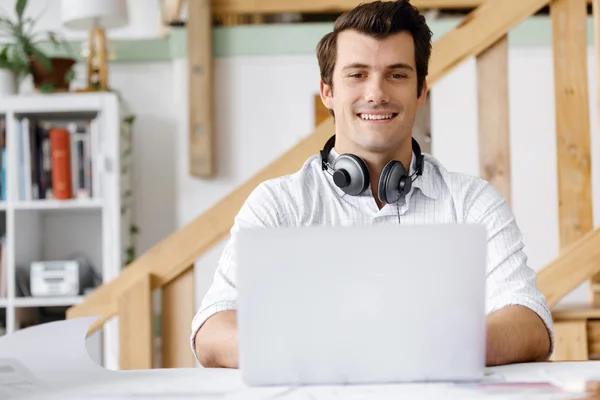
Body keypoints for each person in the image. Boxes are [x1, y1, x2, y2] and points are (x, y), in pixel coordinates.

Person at [190, 0, 554, 369]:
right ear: (327, 91)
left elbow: (529, 324)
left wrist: (417, 348)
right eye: (357, 74)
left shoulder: (473, 202)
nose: (376, 93)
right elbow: (212, 332)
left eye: (396, 74)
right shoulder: (278, 203)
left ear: (421, 90)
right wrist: (324, 352)